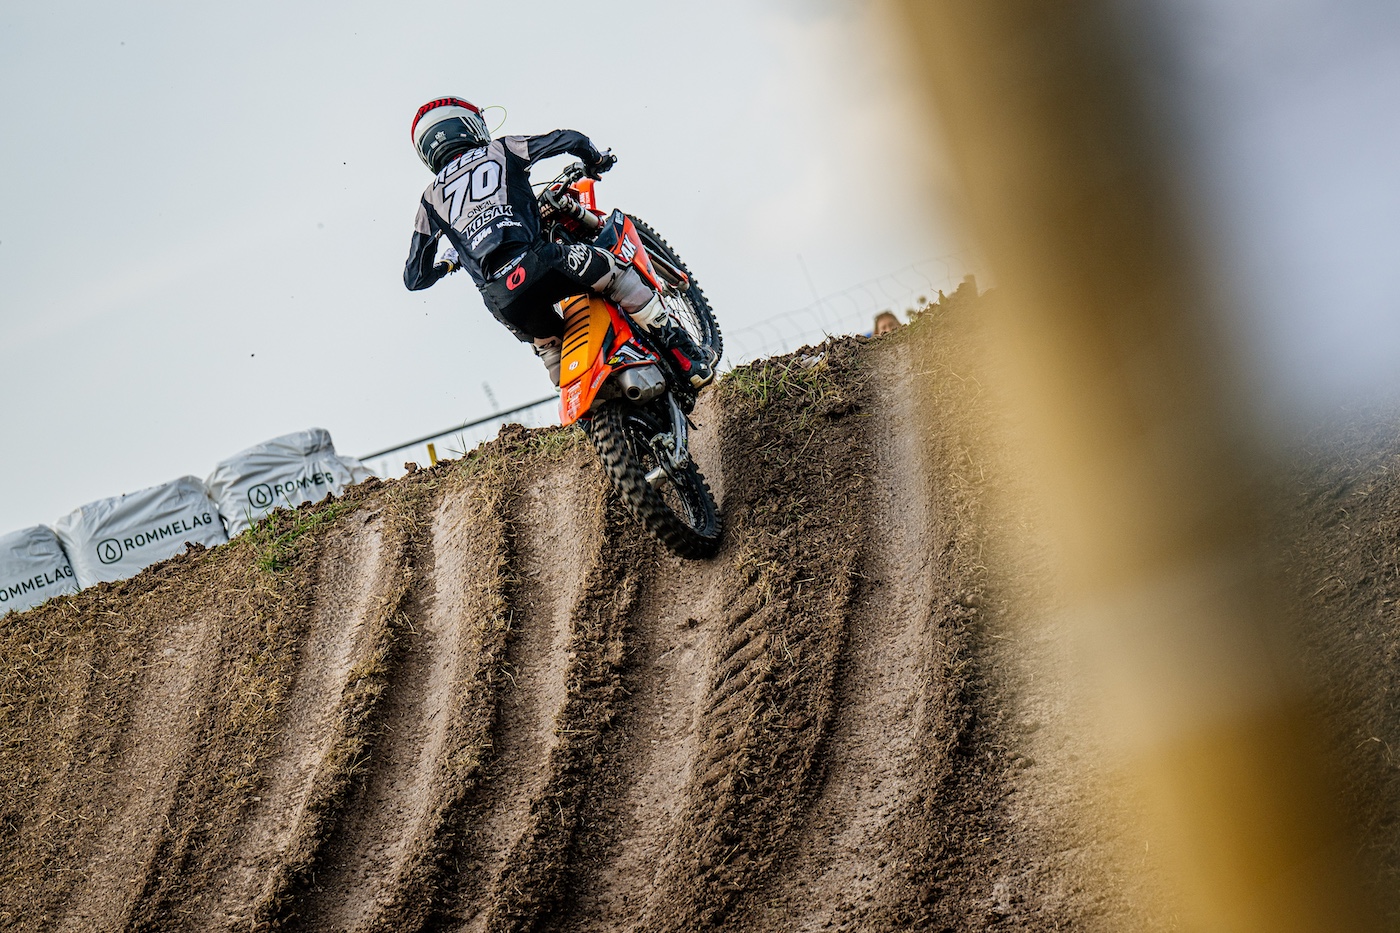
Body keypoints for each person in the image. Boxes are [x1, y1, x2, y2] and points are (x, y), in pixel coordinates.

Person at [402, 96, 715, 388]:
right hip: (540, 263)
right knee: (619, 274)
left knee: (549, 346)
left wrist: (446, 264)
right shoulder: (500, 149)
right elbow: (569, 139)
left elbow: (414, 278)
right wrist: (595, 161)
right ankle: (689, 360)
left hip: (501, 299)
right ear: (469, 125)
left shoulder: (429, 199)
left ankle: (584, 413)